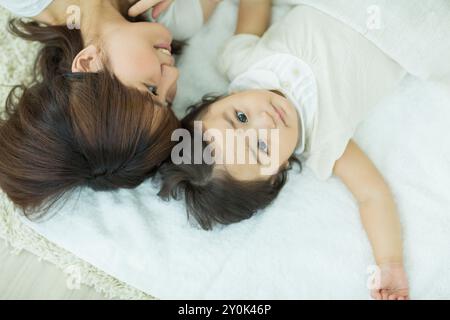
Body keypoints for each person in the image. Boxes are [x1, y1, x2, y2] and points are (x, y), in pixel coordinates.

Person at [158, 0, 409, 300]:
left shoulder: (241, 61)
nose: (265, 120)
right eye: (261, 146)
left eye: (240, 117)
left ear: (222, 98)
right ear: (279, 171)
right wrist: (390, 264)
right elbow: (372, 195)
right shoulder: (325, 142)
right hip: (408, 25)